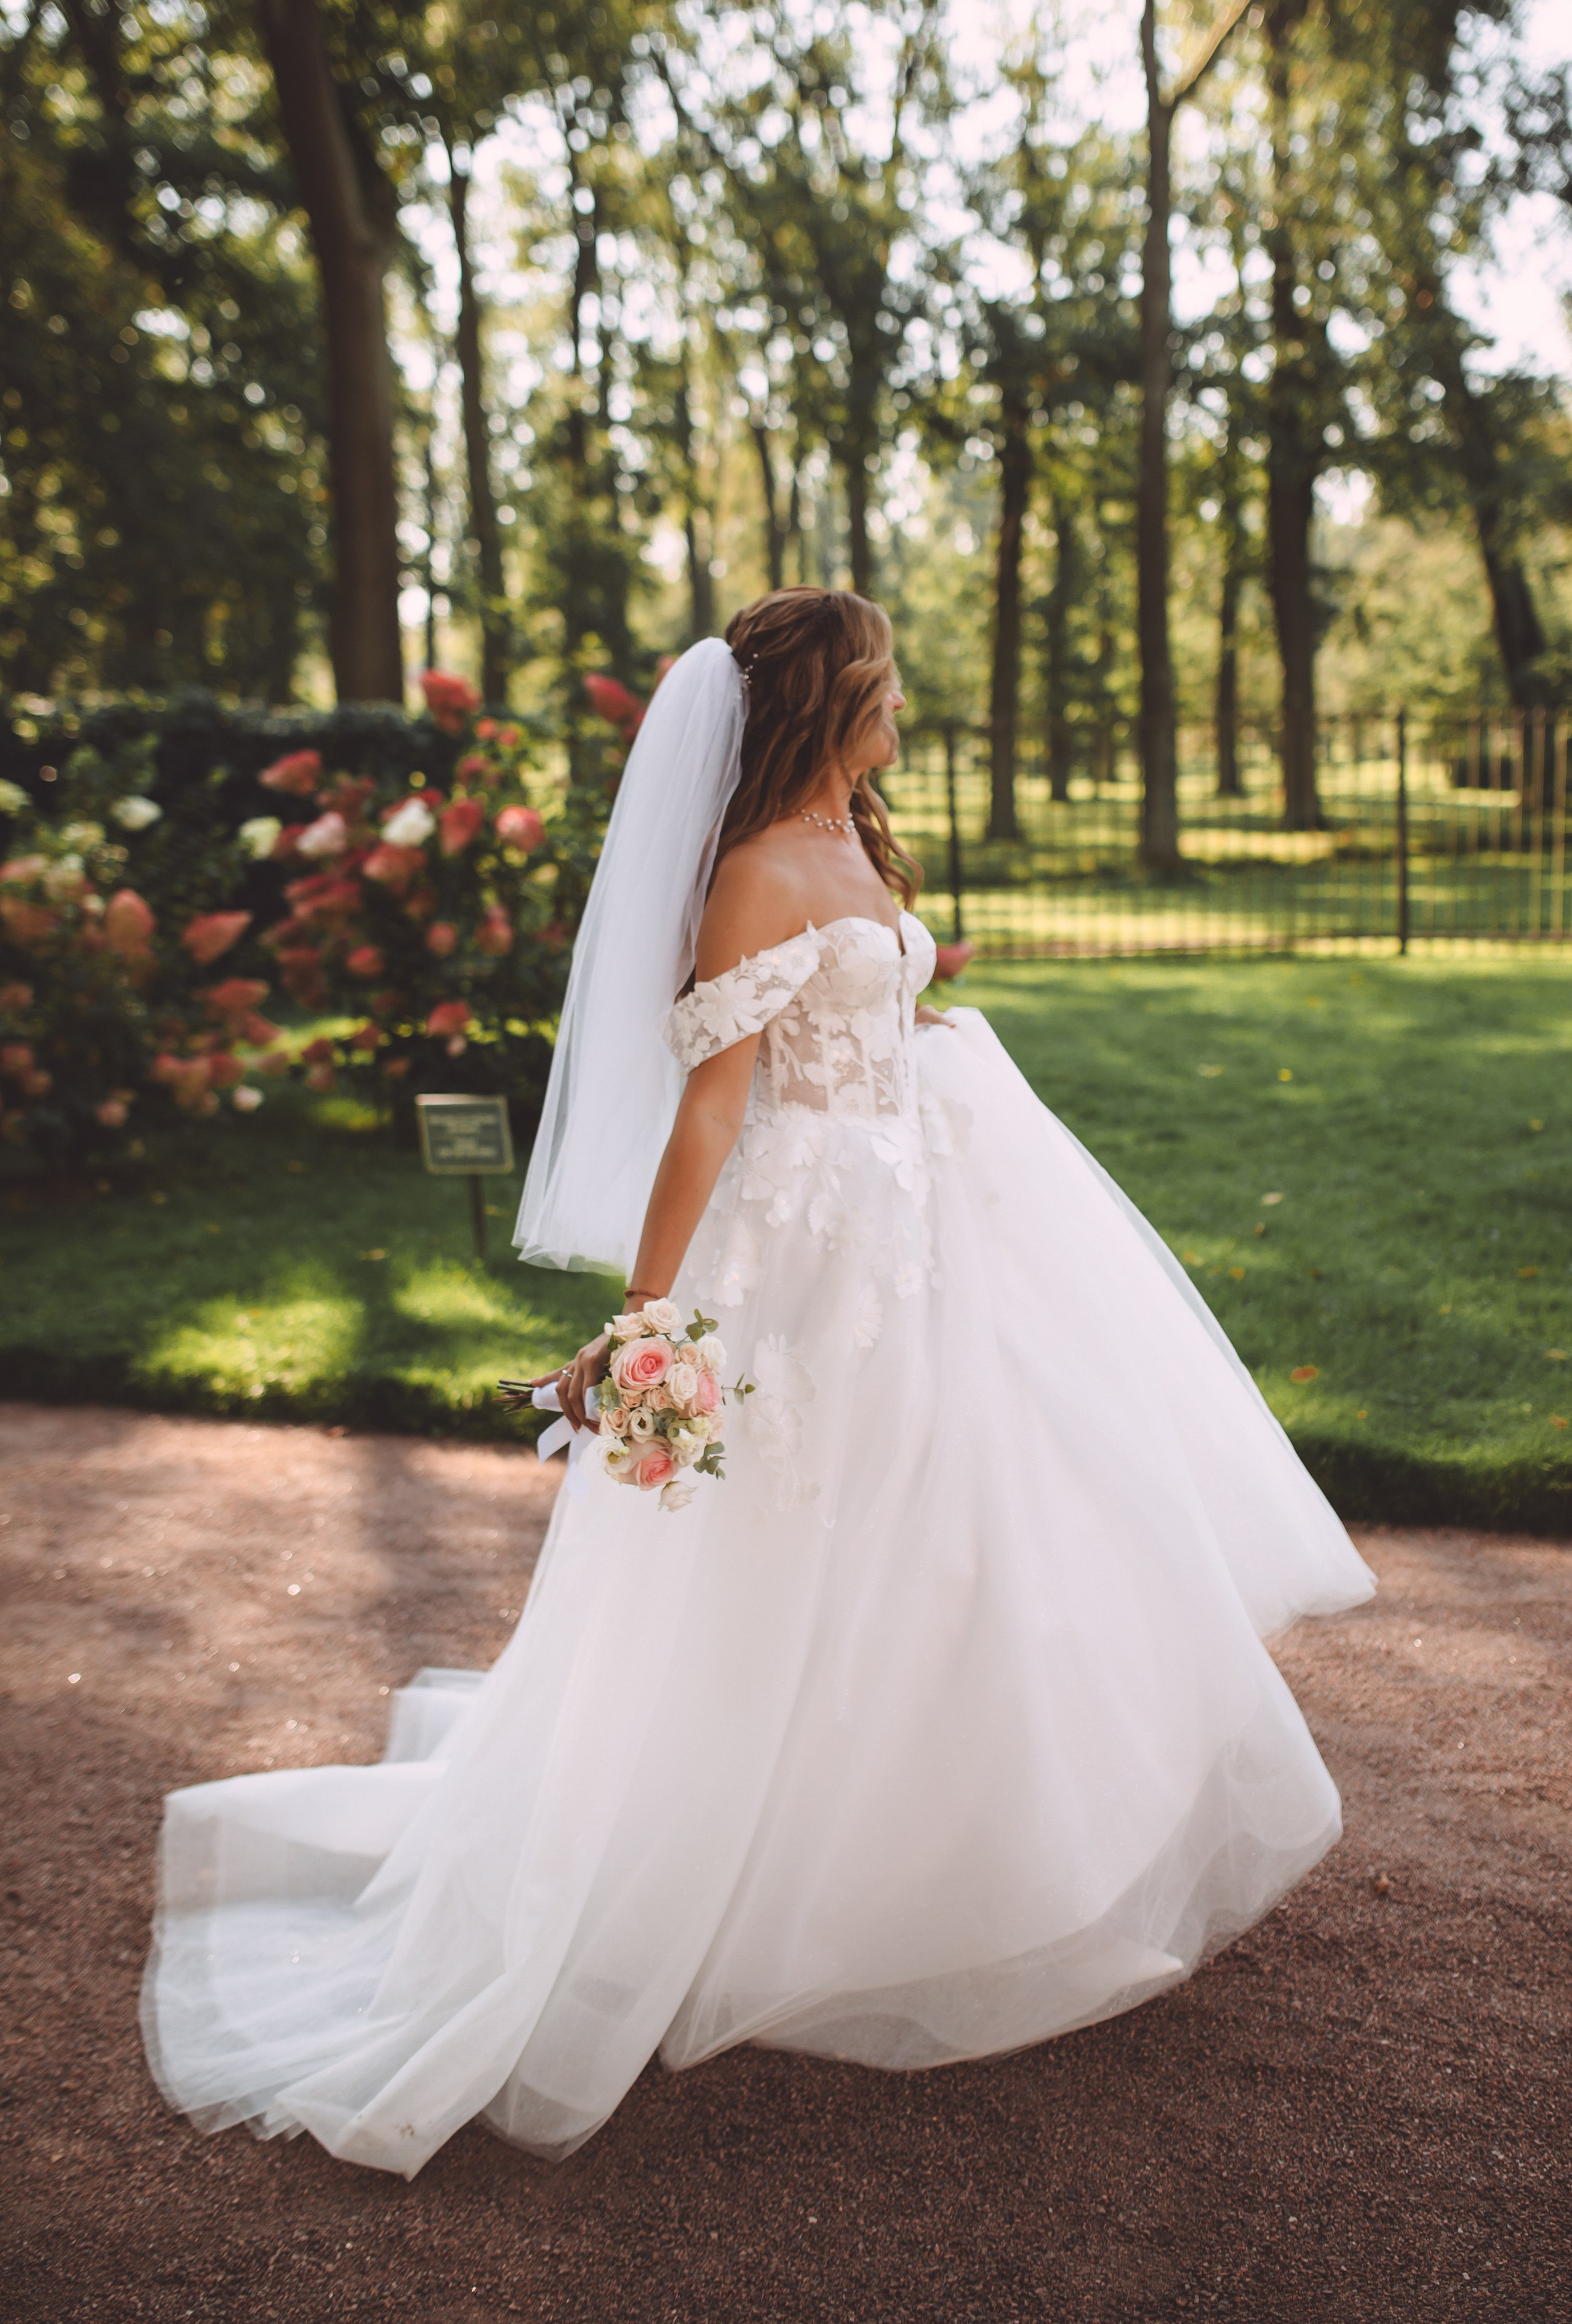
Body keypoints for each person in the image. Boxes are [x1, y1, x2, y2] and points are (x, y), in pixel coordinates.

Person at [143, 587, 1373, 2179]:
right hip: (807, 1254)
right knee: (802, 1544)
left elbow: (879, 1017)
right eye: (881, 689)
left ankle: (973, 1849)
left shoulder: (853, 831)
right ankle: (778, 1886)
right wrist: (651, 1327)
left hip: (931, 1223)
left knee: (971, 1519)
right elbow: (713, 1113)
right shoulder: (746, 878)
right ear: (819, 704)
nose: (901, 714)